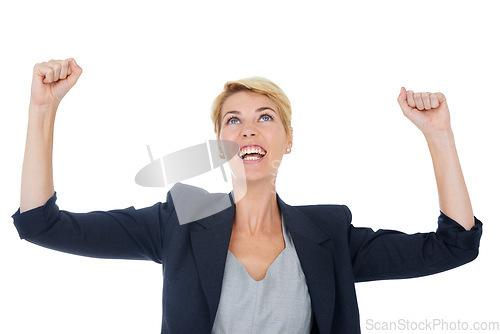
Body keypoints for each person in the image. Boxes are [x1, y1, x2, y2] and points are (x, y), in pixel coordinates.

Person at [12, 58, 483, 334]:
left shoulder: (329, 233)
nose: (248, 128)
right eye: (233, 120)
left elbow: (453, 246)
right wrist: (42, 110)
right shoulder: (179, 221)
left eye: (265, 116)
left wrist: (438, 136)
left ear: (288, 139)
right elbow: (41, 224)